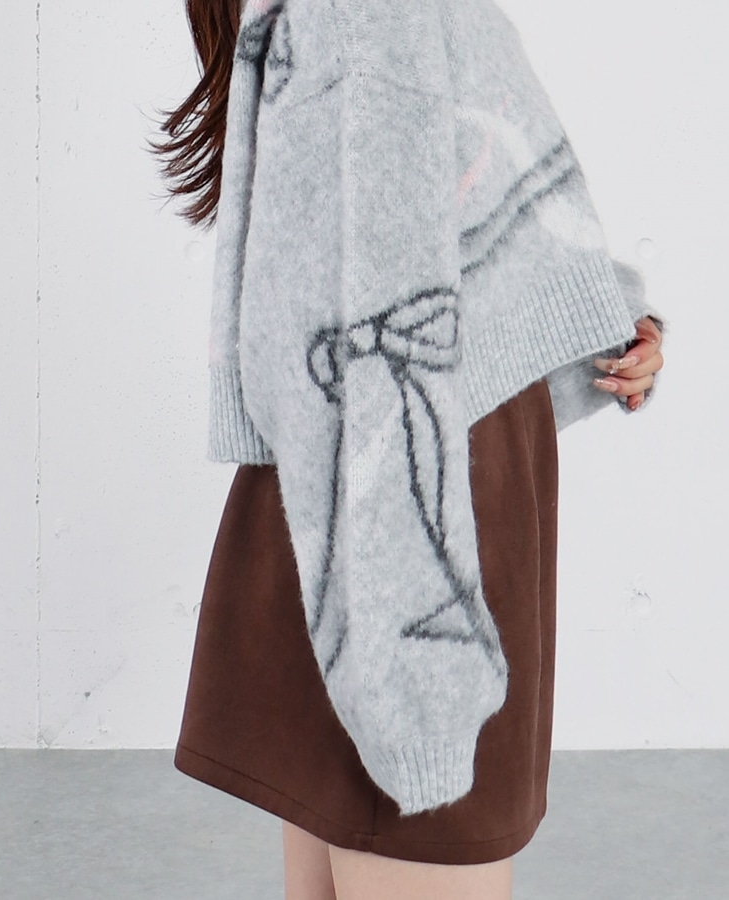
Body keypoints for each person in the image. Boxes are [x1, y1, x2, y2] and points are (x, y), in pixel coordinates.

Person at [150, 1, 666, 897]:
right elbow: (375, 348)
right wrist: (414, 684)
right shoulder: (372, 13)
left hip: (366, 505)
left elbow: (450, 210)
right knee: (412, 833)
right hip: (413, 529)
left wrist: (598, 319)